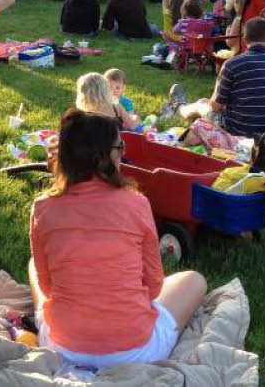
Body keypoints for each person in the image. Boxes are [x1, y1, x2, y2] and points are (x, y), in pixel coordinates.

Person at [28, 109, 206, 368]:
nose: (123, 154)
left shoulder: (42, 207)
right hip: (137, 350)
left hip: (64, 348)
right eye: (120, 148)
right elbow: (154, 287)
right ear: (105, 155)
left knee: (33, 266)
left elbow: (47, 288)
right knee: (194, 280)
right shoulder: (137, 203)